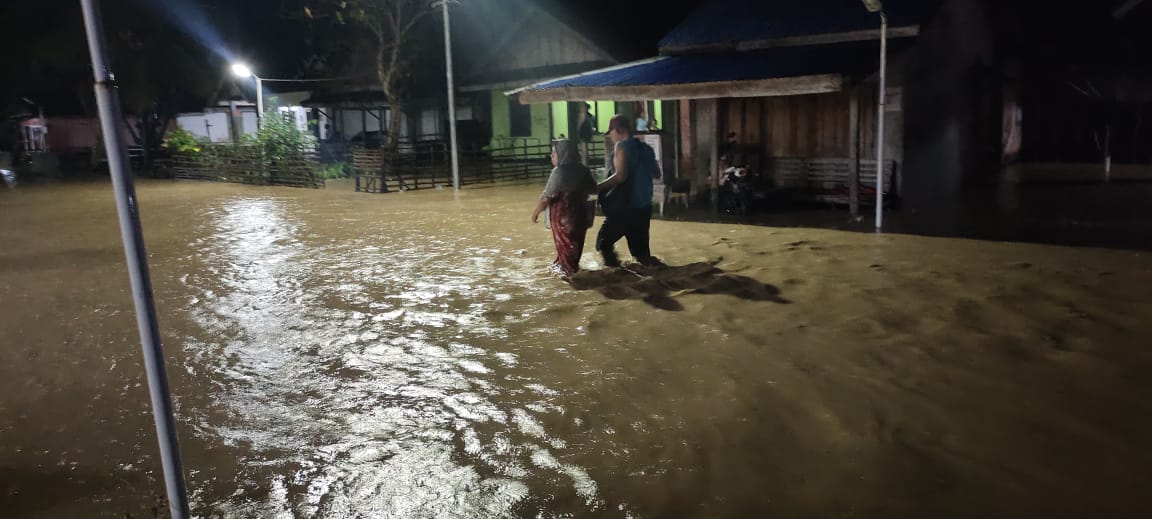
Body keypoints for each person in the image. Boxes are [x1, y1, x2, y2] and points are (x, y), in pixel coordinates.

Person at [595, 114, 662, 268]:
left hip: (625, 207)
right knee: (642, 255)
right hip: (644, 208)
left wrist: (598, 187)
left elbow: (620, 176)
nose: (610, 136)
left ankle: (616, 277)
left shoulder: (621, 146)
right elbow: (657, 174)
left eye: (610, 131)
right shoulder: (647, 148)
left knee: (603, 243)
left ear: (619, 129)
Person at [532, 140, 598, 276]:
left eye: (554, 153)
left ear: (563, 155)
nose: (551, 156)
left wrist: (536, 212)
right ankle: (566, 268)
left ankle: (573, 279)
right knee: (573, 249)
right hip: (580, 218)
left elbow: (547, 196)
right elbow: (594, 192)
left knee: (567, 255)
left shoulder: (559, 172)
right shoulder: (583, 170)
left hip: (564, 221)